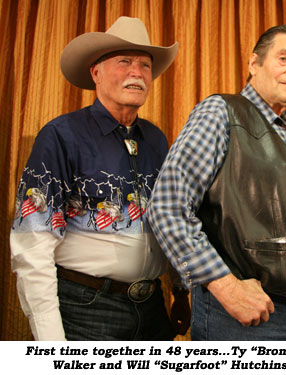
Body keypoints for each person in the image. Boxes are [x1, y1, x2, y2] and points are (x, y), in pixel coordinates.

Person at [147, 24, 286, 340]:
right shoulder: (221, 112)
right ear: (254, 64)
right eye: (284, 58)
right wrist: (226, 287)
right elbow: (167, 208)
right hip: (244, 313)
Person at [10, 16, 190, 341]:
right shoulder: (61, 136)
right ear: (96, 72)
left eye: (145, 65)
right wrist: (52, 342)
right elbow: (31, 243)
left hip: (152, 306)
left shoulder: (156, 139)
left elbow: (171, 218)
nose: (137, 72)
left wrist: (180, 291)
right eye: (124, 62)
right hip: (86, 310)